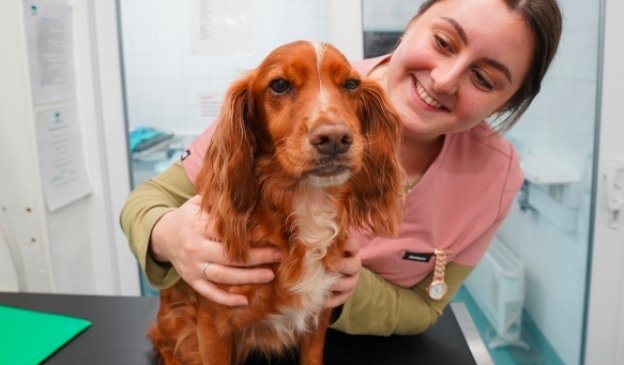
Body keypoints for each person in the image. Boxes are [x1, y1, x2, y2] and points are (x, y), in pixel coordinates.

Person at [121, 0, 562, 336]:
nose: (444, 80)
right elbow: (147, 202)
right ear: (412, 25)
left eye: (484, 79)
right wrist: (167, 234)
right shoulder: (291, 89)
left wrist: (341, 291)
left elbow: (426, 309)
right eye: (443, 42)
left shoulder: (496, 177)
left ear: (507, 103)